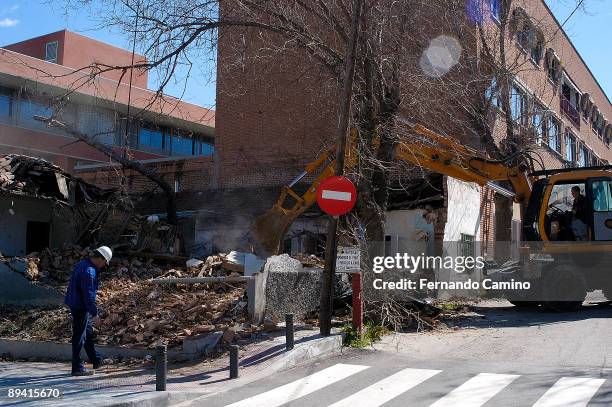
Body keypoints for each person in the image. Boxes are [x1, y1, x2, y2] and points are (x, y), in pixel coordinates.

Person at [64, 246, 113, 376]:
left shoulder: (82, 264)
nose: (104, 265)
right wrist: (95, 314)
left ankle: (95, 359)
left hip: (75, 302)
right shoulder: (89, 271)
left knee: (88, 333)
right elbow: (89, 295)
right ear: (101, 258)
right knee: (79, 336)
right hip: (81, 306)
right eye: (104, 262)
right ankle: (77, 367)